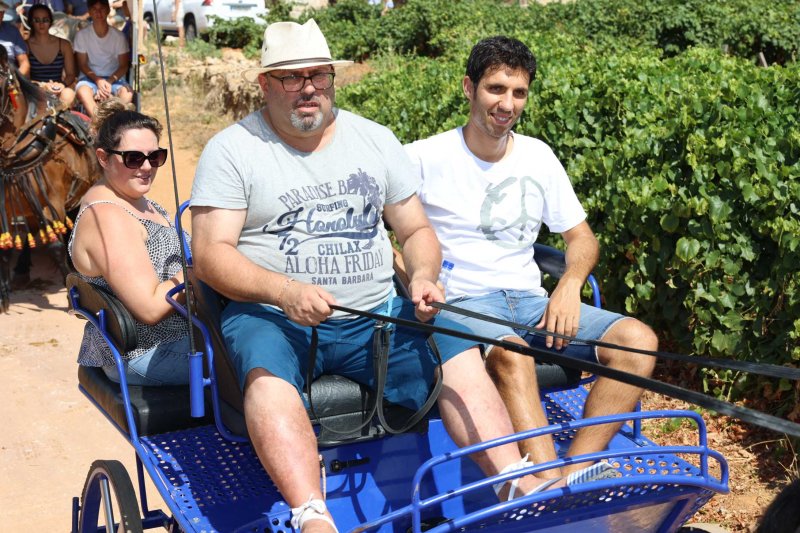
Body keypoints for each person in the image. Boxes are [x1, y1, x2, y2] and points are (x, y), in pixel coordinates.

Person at [190, 19, 616, 533]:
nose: (308, 88)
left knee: (453, 347)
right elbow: (211, 254)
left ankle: (512, 482)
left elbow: (415, 229)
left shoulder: (373, 140)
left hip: (375, 313)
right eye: (291, 77)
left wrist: (422, 275)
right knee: (265, 370)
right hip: (273, 312)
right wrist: (282, 290)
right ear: (264, 84)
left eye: (319, 76)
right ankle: (312, 514)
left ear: (332, 78)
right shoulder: (233, 149)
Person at [405, 36, 658, 477]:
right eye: (496, 89)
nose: (507, 104)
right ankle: (547, 487)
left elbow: (582, 240)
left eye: (518, 92)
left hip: (531, 301)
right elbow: (386, 236)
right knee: (513, 352)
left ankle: (576, 470)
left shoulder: (539, 156)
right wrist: (417, 278)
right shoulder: (424, 157)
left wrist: (568, 286)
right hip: (464, 304)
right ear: (469, 88)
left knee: (638, 341)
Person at [68, 98, 190, 387]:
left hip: (186, 334)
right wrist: (200, 269)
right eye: (134, 158)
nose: (146, 167)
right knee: (263, 359)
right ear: (103, 157)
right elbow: (148, 308)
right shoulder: (108, 217)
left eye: (155, 157)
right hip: (143, 352)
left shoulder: (135, 199)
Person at [73, 0, 132, 117]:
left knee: (127, 94)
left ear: (108, 10)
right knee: (83, 92)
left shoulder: (119, 37)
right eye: (94, 9)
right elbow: (82, 65)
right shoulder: (82, 35)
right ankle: (99, 121)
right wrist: (98, 81)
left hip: (115, 79)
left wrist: (109, 82)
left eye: (102, 9)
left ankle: (116, 122)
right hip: (89, 79)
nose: (98, 13)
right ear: (89, 12)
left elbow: (123, 65)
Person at [24, 3, 76, 106]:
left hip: (58, 88)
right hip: (35, 90)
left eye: (45, 20)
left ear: (51, 22)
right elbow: (25, 79)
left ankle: (60, 120)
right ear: (31, 22)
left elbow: (71, 75)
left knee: (68, 94)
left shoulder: (64, 44)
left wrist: (62, 84)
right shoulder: (26, 45)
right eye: (37, 20)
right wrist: (42, 85)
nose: (41, 24)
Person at [0, 0, 29, 76]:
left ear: (3, 14)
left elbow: (24, 63)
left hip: (8, 80)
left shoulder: (12, 31)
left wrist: (13, 80)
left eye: (1, 11)